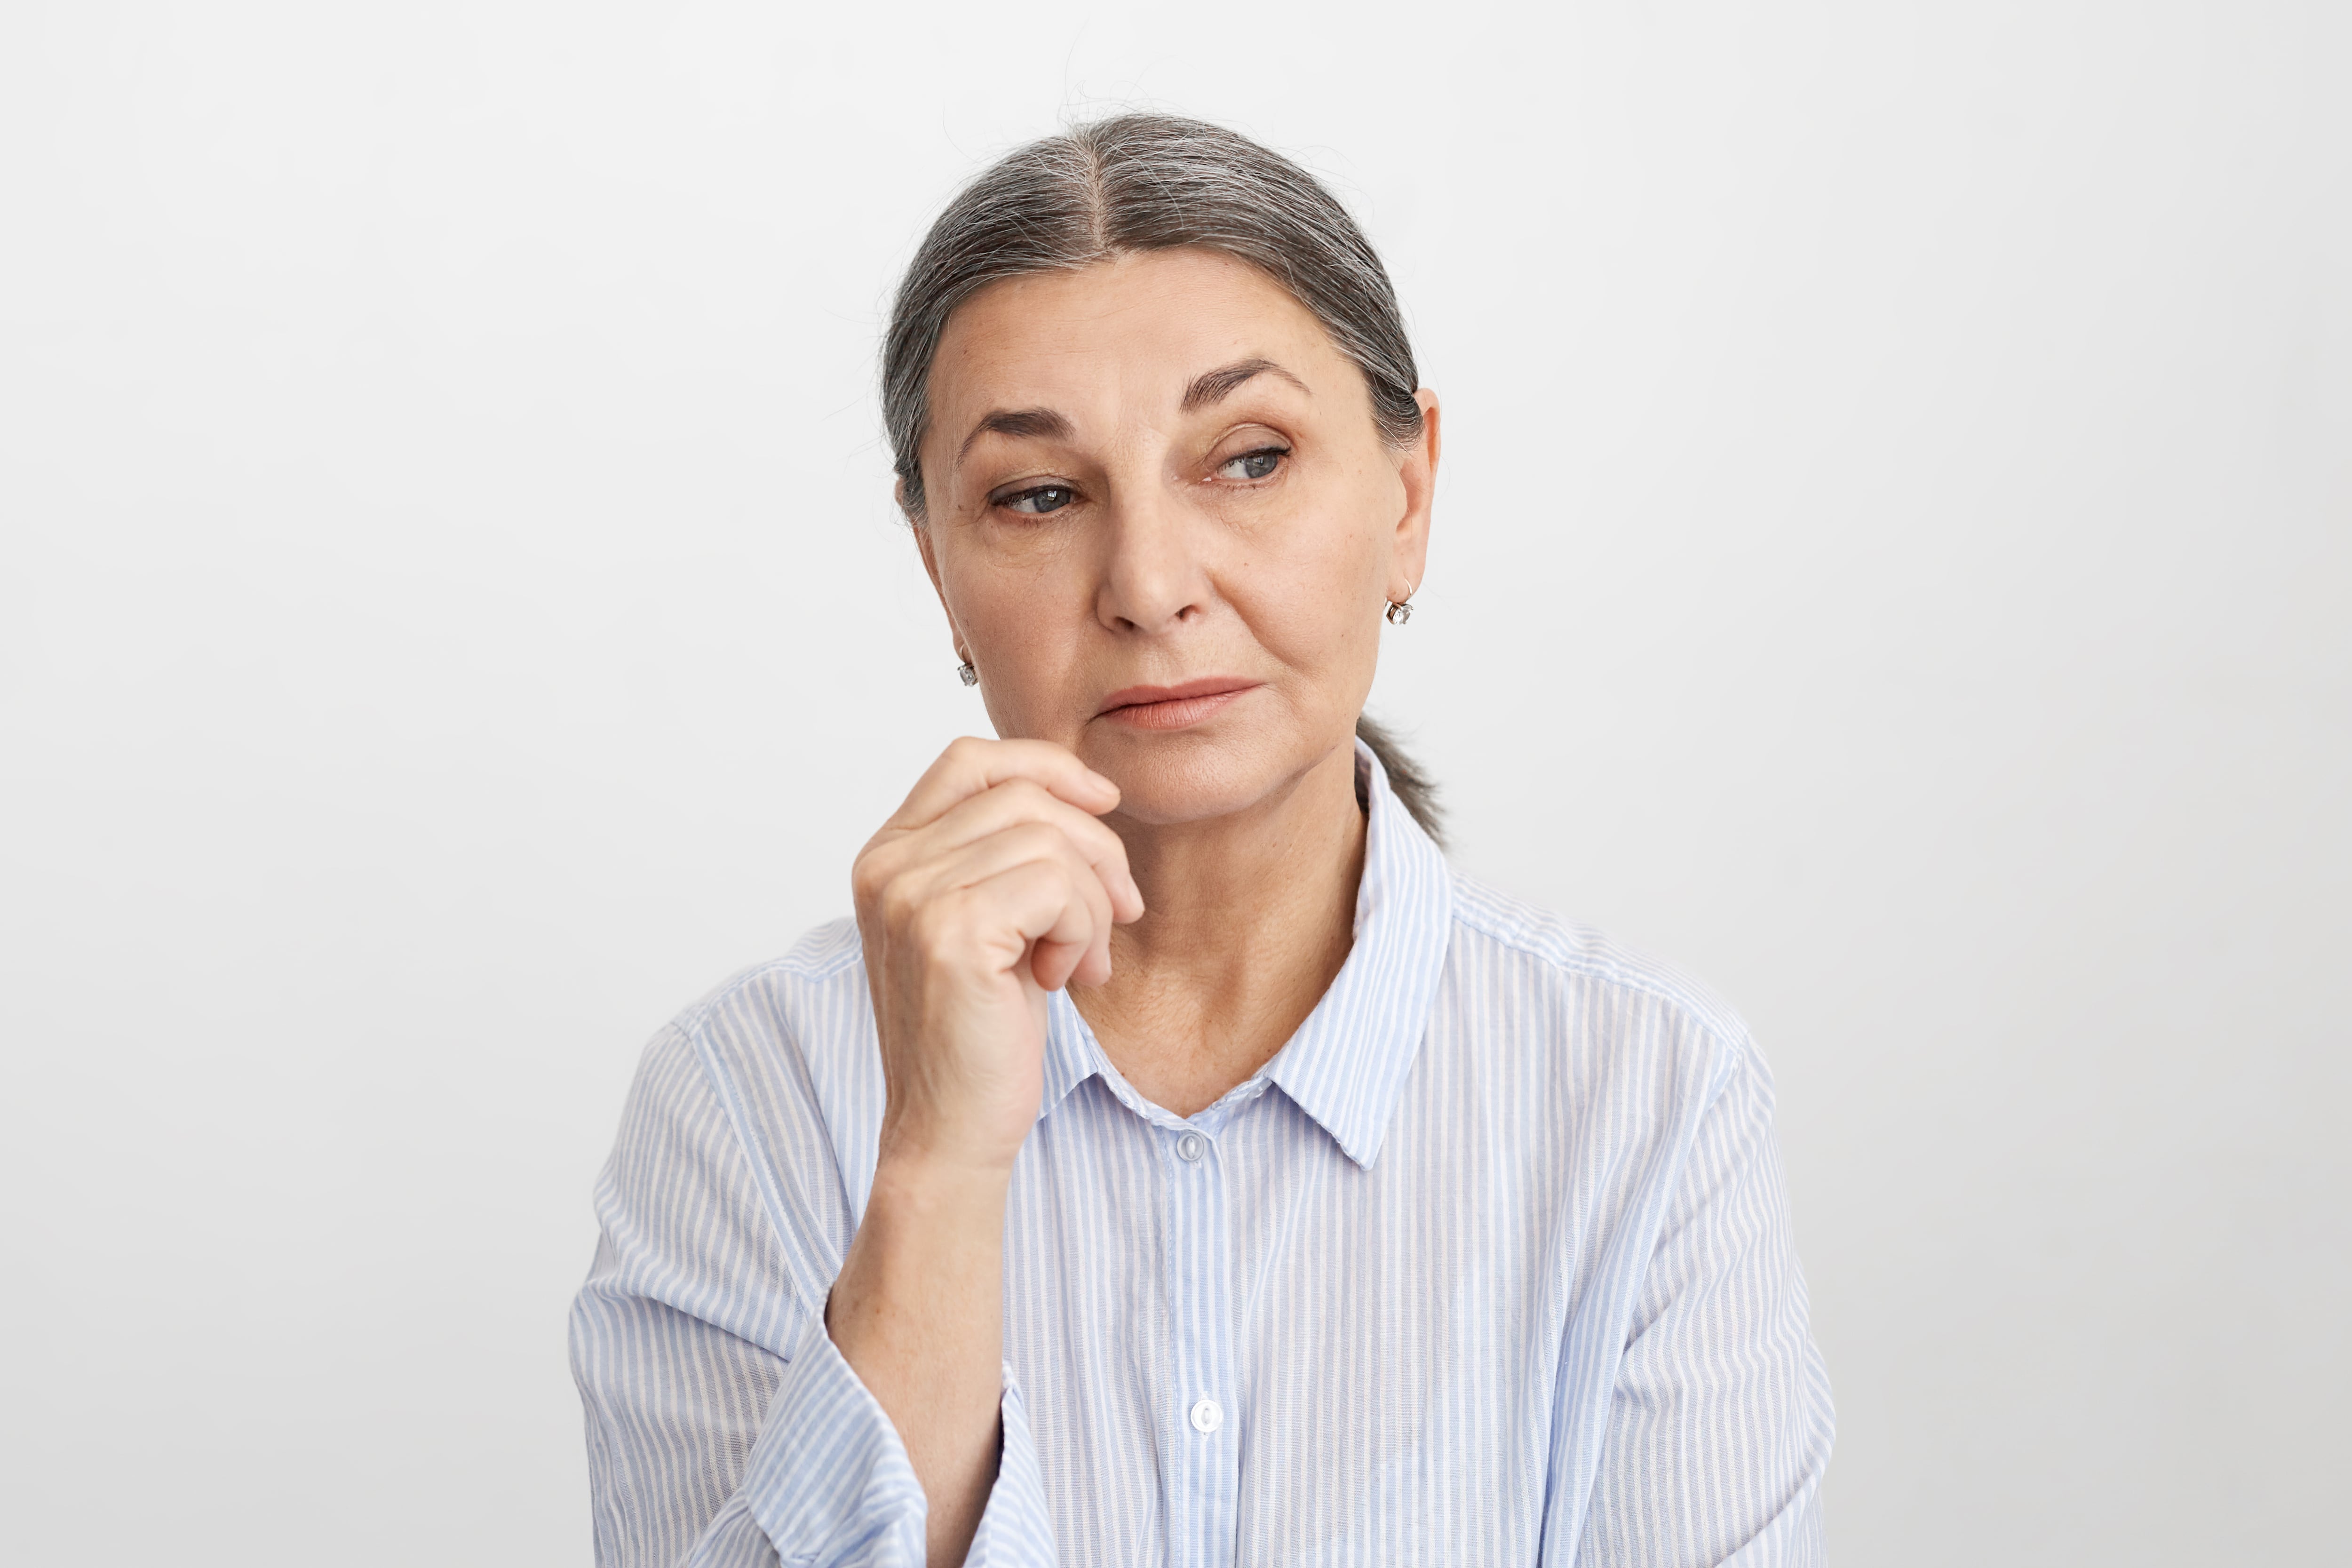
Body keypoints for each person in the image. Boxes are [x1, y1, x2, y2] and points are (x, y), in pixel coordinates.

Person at [569, 113, 1833, 1568]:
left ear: (1409, 496)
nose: (1152, 585)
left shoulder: (1652, 1101)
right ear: (937, 567)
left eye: (1246, 459)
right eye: (1040, 496)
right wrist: (933, 1173)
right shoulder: (744, 1104)